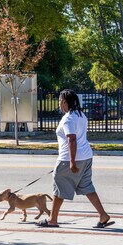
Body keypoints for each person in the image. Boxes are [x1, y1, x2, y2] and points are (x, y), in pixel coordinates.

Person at [36, 89, 114, 229]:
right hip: (86, 156)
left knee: (59, 187)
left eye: (60, 101)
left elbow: (71, 139)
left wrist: (72, 162)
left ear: (65, 102)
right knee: (86, 186)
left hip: (70, 158)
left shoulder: (68, 119)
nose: (59, 104)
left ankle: (52, 220)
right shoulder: (80, 115)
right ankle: (103, 215)